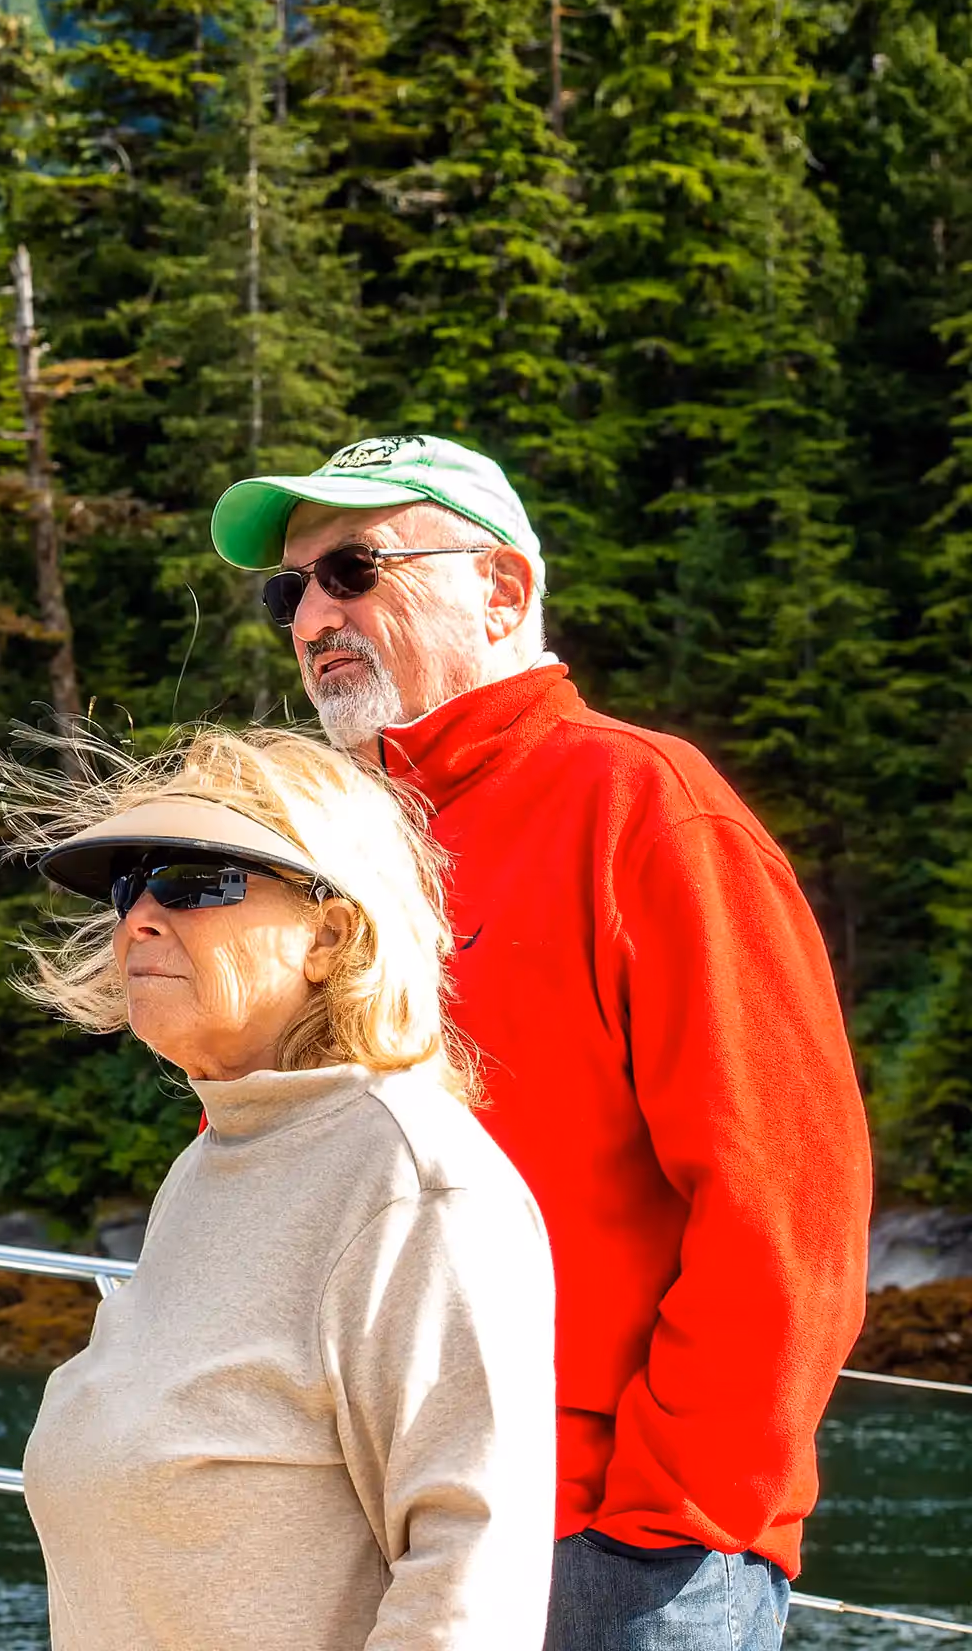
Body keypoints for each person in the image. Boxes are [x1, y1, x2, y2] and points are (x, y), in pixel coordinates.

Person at [210, 434, 873, 1650]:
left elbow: (790, 1201)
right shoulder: (329, 849)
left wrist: (665, 1520)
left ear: (503, 589)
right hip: (365, 1523)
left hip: (607, 1549)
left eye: (352, 568)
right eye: (287, 589)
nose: (310, 614)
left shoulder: (649, 810)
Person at [12, 727, 556, 1651]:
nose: (139, 917)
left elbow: (473, 1581)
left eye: (193, 879)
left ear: (331, 933)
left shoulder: (412, 1180)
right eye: (128, 882)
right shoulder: (210, 1166)